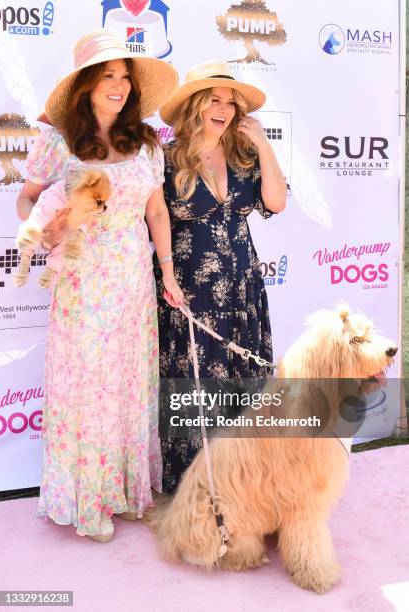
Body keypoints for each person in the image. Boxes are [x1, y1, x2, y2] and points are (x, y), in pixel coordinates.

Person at [17, 30, 183, 542]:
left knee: (129, 387)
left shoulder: (149, 142)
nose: (118, 85)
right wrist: (50, 227)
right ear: (87, 85)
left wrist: (169, 274)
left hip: (133, 285)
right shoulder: (57, 141)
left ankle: (128, 493)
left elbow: (156, 211)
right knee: (89, 389)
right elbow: (26, 200)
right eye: (107, 76)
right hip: (81, 284)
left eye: (125, 77)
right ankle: (88, 503)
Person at [155, 60, 287, 493]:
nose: (224, 108)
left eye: (230, 102)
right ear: (195, 105)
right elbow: (153, 223)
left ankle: (244, 489)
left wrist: (263, 143)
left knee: (244, 392)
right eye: (214, 99)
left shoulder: (244, 156)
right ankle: (194, 492)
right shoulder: (166, 159)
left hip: (244, 289)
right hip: (189, 294)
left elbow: (276, 203)